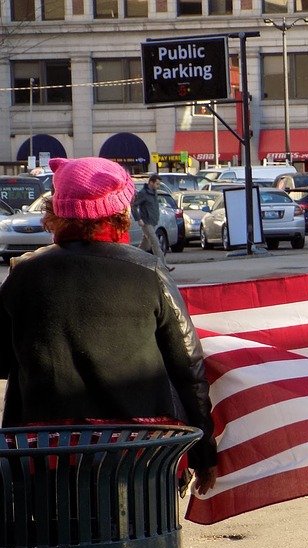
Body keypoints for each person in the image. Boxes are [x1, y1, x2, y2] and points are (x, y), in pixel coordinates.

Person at [0, 157, 218, 495]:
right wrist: (205, 452)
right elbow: (188, 369)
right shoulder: (149, 272)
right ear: (120, 212)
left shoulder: (23, 275)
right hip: (142, 461)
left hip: (44, 461)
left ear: (57, 212)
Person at [131, 173, 172, 271]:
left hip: (153, 222)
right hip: (146, 222)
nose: (158, 186)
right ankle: (163, 267)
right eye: (157, 184)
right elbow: (133, 205)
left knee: (144, 246)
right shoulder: (143, 193)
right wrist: (138, 219)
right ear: (151, 182)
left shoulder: (154, 192)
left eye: (159, 184)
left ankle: (133, 261)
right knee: (155, 243)